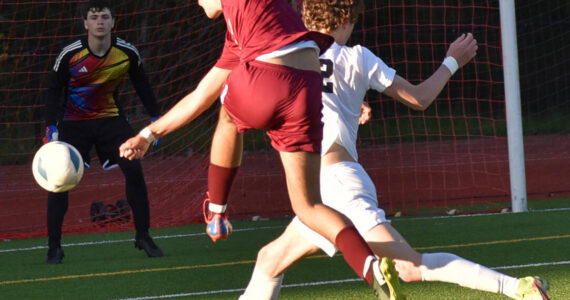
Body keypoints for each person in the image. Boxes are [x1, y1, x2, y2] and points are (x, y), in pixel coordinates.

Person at [238, 1, 551, 300]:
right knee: (269, 260)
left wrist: (348, 105)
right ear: (346, 21)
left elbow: (300, 102)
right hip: (333, 186)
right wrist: (452, 60)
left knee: (409, 266)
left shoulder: (287, 53)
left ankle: (519, 288)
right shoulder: (357, 57)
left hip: (326, 188)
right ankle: (519, 287)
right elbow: (419, 98)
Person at [120, 0, 405, 299]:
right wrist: (148, 134)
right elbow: (199, 95)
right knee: (308, 206)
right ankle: (369, 267)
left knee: (228, 116)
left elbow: (207, 96)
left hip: (270, 77)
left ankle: (216, 211)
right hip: (306, 89)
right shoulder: (241, 30)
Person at [43, 0, 163, 264]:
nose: (99, 21)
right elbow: (54, 91)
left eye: (104, 16)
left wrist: (157, 118)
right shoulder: (70, 54)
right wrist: (51, 126)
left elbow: (142, 84)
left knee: (134, 172)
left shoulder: (127, 52)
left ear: (112, 22)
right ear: (85, 23)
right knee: (58, 183)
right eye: (94, 17)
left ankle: (143, 236)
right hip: (73, 124)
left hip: (111, 121)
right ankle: (54, 247)